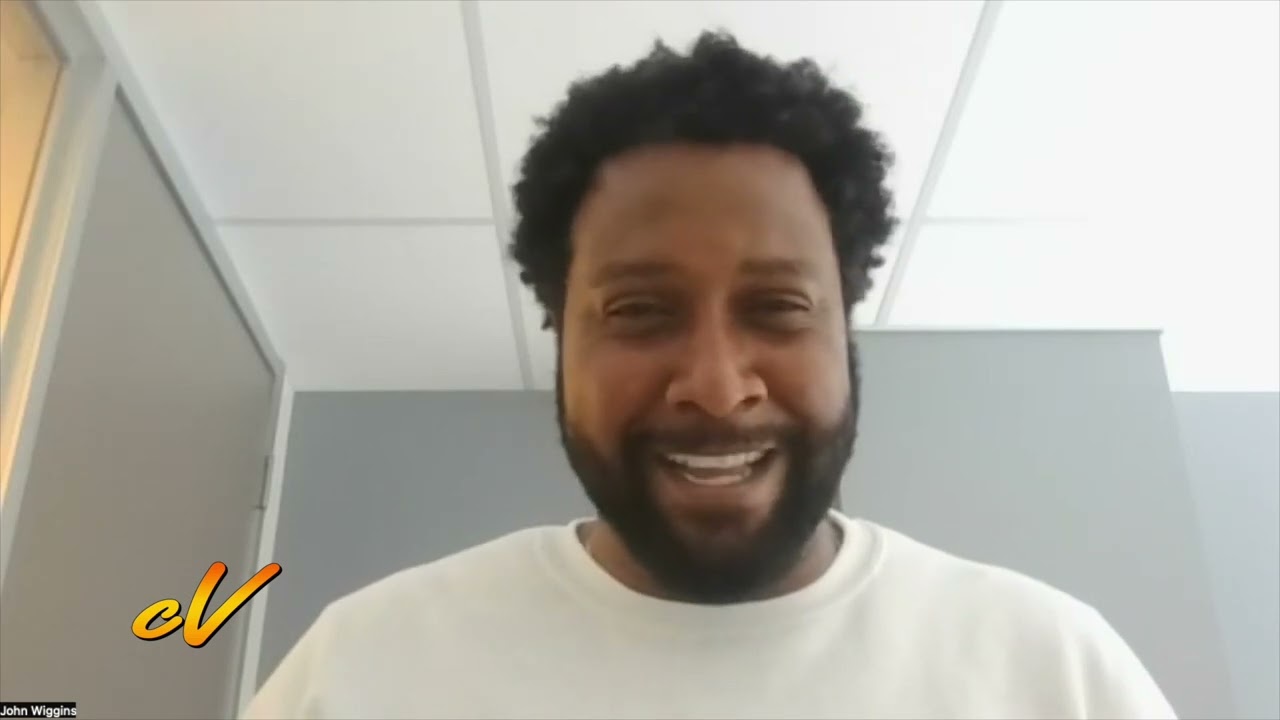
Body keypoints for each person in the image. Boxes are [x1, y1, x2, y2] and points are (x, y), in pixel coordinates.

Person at [243, 32, 1176, 720]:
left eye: (777, 307)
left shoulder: (1054, 673)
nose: (719, 387)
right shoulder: (361, 671)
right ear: (560, 338)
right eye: (641, 311)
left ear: (843, 329)